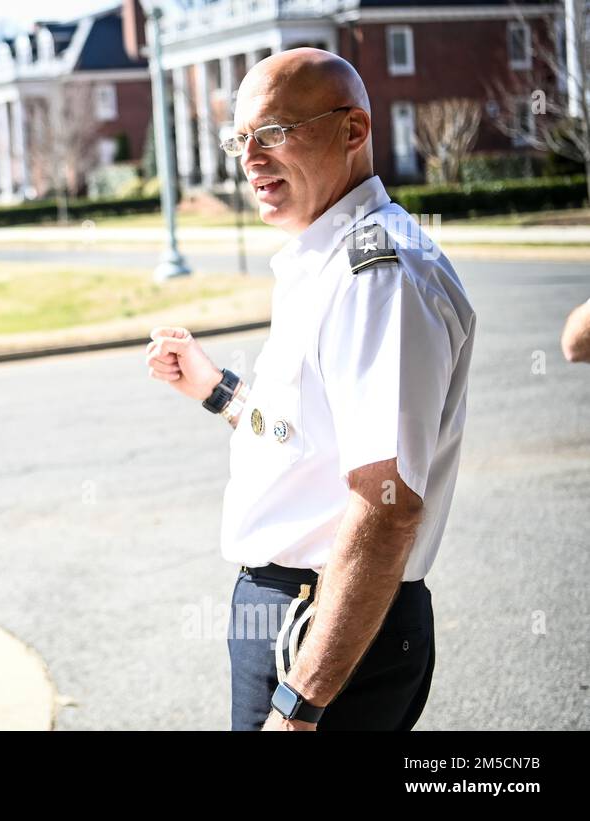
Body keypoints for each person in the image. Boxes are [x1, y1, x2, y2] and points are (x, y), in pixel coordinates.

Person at [146, 48, 475, 730]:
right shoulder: (329, 259)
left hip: (325, 624)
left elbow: (386, 508)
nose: (250, 159)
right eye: (241, 140)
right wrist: (216, 389)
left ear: (353, 130)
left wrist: (299, 705)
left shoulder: (375, 277)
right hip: (303, 616)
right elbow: (308, 437)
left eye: (273, 133)